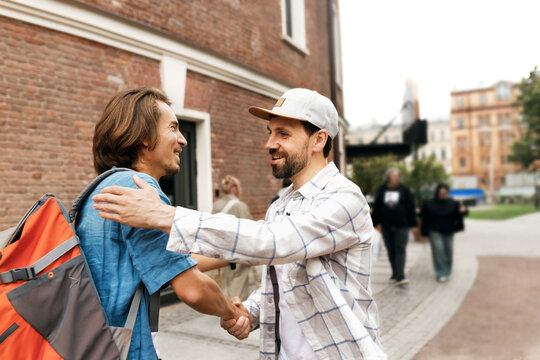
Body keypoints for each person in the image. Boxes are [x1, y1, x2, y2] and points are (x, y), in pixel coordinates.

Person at [93, 88, 387, 359]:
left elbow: (274, 242)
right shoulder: (282, 205)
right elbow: (284, 284)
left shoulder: (345, 199)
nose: (269, 144)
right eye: (270, 133)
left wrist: (167, 216)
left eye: (282, 134)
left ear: (319, 140)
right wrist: (249, 311)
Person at [77, 87, 250, 359]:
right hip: (125, 347)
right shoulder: (140, 188)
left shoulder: (103, 187)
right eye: (173, 128)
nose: (182, 139)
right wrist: (232, 312)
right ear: (145, 137)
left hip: (95, 342)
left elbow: (167, 260)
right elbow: (192, 289)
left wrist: (242, 252)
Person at [213, 175, 259, 300]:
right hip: (237, 255)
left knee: (225, 289)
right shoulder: (240, 206)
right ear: (235, 188)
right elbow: (249, 232)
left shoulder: (216, 205)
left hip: (219, 253)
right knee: (238, 292)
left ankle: (226, 314)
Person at [372, 168, 417, 286]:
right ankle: (395, 273)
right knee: (391, 250)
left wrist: (413, 224)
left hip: (402, 225)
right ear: (388, 177)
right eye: (394, 176)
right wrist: (374, 223)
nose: (396, 178)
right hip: (386, 226)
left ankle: (400, 275)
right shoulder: (382, 190)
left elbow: (410, 207)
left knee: (400, 249)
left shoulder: (404, 191)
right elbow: (377, 207)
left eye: (398, 176)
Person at [420, 183, 468, 282]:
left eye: (445, 193)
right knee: (438, 251)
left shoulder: (453, 203)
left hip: (449, 231)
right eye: (441, 193)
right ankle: (440, 273)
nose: (443, 194)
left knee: (448, 252)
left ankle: (447, 272)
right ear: (437, 193)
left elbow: (463, 212)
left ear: (447, 193)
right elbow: (422, 215)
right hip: (434, 231)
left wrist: (464, 210)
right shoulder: (430, 203)